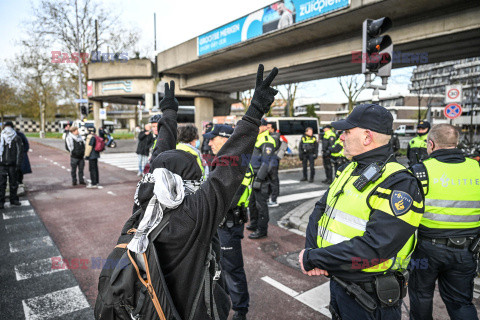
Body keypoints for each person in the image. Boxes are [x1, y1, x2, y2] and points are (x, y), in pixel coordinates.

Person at [113, 64, 278, 320]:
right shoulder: (194, 214)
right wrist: (255, 111)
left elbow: (161, 158)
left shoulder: (144, 203)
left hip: (149, 309)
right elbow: (228, 168)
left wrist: (168, 113)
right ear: (186, 181)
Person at [299, 104, 425, 320]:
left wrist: (315, 257)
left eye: (347, 132)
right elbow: (321, 209)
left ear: (367, 137)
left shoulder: (400, 183)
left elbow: (375, 247)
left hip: (370, 298)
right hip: (340, 283)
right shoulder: (350, 168)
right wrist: (312, 251)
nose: (341, 138)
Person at [409, 124, 480, 320]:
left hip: (426, 249)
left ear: (431, 144)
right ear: (456, 143)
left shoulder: (420, 170)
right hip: (466, 251)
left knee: (421, 296)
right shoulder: (477, 168)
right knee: (461, 303)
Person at [204, 124, 252, 320]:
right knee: (220, 267)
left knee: (232, 269)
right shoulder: (223, 160)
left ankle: (240, 310)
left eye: (212, 138)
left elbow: (230, 199)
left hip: (229, 224)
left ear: (224, 139)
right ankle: (224, 301)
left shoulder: (236, 162)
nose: (208, 142)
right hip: (220, 224)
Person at [247, 118, 277, 239]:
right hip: (254, 176)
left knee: (261, 205)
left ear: (264, 127)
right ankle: (254, 224)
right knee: (252, 203)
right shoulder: (258, 138)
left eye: (258, 127)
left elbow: (266, 163)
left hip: (261, 178)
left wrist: (259, 179)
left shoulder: (267, 140)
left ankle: (262, 230)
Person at [0, 121, 23, 208]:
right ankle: (1, 201)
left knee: (13, 183)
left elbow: (20, 152)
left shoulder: (17, 138)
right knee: (2, 184)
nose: (7, 129)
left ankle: (13, 200)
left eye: (9, 127)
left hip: (13, 164)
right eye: (6, 127)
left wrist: (18, 164)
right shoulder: (1, 137)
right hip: (2, 164)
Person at [267, 122, 280, 207]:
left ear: (273, 128)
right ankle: (270, 198)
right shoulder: (271, 136)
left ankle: (274, 199)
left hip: (273, 161)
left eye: (268, 127)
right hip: (270, 161)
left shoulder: (274, 137)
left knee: (274, 180)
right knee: (270, 180)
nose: (267, 129)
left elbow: (272, 149)